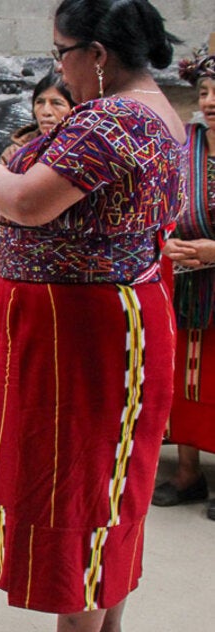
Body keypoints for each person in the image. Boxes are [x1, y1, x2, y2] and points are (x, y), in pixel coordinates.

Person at [0, 1, 183, 632]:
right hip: (102, 317)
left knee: (74, 485)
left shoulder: (113, 120)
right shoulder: (156, 110)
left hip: (81, 329)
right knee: (106, 483)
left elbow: (30, 204)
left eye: (62, 51)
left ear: (99, 54)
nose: (58, 67)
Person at [156, 48, 215, 520]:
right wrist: (167, 243)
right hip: (184, 286)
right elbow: (158, 206)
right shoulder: (184, 145)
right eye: (204, 91)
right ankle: (187, 472)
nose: (211, 100)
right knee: (183, 378)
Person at [0, 72, 74, 163]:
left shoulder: (81, 150)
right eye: (40, 102)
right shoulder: (15, 153)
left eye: (57, 103)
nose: (46, 112)